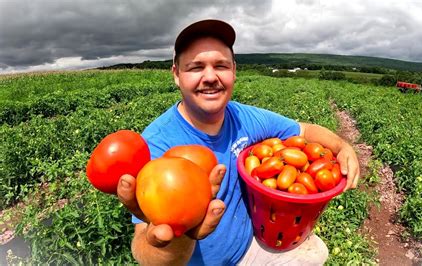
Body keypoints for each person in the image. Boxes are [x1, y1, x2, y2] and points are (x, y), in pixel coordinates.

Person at [117, 19, 360, 265]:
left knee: (316, 251)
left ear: (234, 71)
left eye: (220, 65)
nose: (210, 77)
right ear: (176, 75)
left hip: (252, 245)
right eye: (195, 67)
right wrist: (177, 239)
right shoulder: (157, 144)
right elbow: (145, 250)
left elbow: (304, 129)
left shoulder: (244, 117)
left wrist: (342, 146)